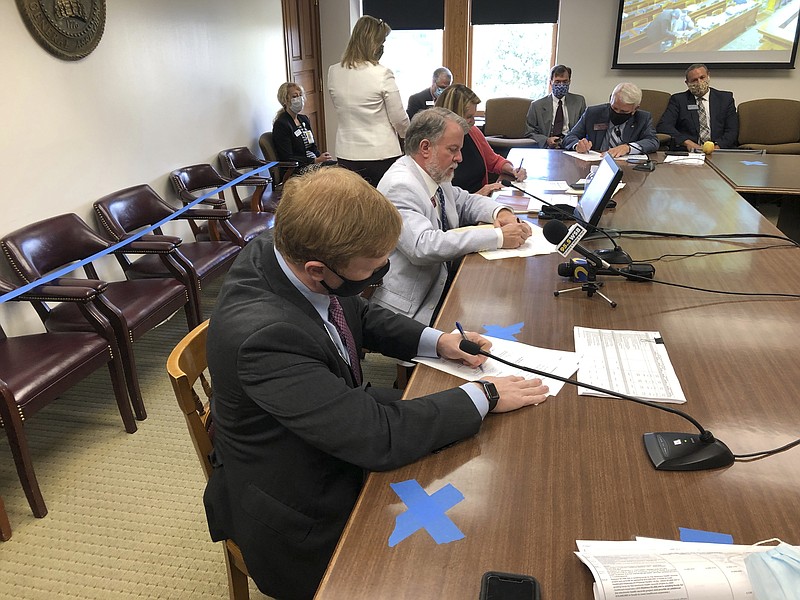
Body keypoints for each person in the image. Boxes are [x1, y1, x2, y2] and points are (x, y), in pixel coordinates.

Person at [203, 166, 549, 600]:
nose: (381, 274)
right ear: (317, 269)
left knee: (486, 448)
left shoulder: (284, 247)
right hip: (299, 509)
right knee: (462, 551)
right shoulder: (263, 339)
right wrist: (486, 393)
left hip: (331, 420)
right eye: (374, 270)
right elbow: (376, 438)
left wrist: (439, 341)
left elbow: (356, 313)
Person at [370, 107, 532, 326]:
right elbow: (423, 246)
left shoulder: (434, 173)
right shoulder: (400, 185)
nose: (460, 158)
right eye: (453, 149)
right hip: (412, 309)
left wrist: (500, 212)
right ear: (425, 147)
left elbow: (464, 201)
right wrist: (499, 238)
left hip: (442, 284)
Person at [327, 15, 409, 186]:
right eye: (382, 42)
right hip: (381, 154)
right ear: (372, 43)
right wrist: (409, 138)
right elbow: (399, 119)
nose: (382, 47)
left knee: (354, 205)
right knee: (384, 205)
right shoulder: (382, 73)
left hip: (346, 153)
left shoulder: (333, 72)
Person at [435, 84, 527, 195]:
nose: (473, 122)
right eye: (469, 117)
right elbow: (442, 203)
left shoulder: (473, 132)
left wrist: (512, 170)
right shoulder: (436, 146)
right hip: (462, 209)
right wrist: (481, 193)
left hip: (480, 204)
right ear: (453, 114)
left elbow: (494, 161)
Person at [562, 82, 659, 158]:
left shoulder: (642, 118)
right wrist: (577, 145)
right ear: (610, 99)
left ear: (635, 109)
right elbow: (570, 137)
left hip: (626, 166)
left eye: (623, 112)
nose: (617, 113)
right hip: (595, 162)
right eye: (614, 108)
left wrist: (628, 148)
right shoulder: (593, 113)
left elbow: (652, 141)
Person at [657, 63, 739, 150]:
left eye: (702, 77)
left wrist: (717, 148)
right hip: (689, 152)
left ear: (708, 76)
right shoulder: (678, 100)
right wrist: (687, 142)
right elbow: (664, 126)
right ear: (687, 83)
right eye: (694, 80)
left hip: (719, 150)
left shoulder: (725, 99)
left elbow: (732, 131)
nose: (699, 82)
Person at [272, 82, 334, 175]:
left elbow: (313, 146)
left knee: (338, 166)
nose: (299, 99)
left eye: (300, 95)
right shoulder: (282, 124)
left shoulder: (303, 119)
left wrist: (321, 157)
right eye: (294, 96)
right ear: (285, 100)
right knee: (335, 170)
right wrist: (314, 160)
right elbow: (288, 157)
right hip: (296, 169)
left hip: (312, 163)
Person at [525, 64, 587, 149]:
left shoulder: (579, 102)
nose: (561, 85)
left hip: (571, 146)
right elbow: (529, 132)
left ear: (569, 82)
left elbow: (584, 128)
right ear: (551, 82)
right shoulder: (537, 105)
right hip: (548, 147)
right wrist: (546, 140)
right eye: (557, 82)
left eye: (565, 82)